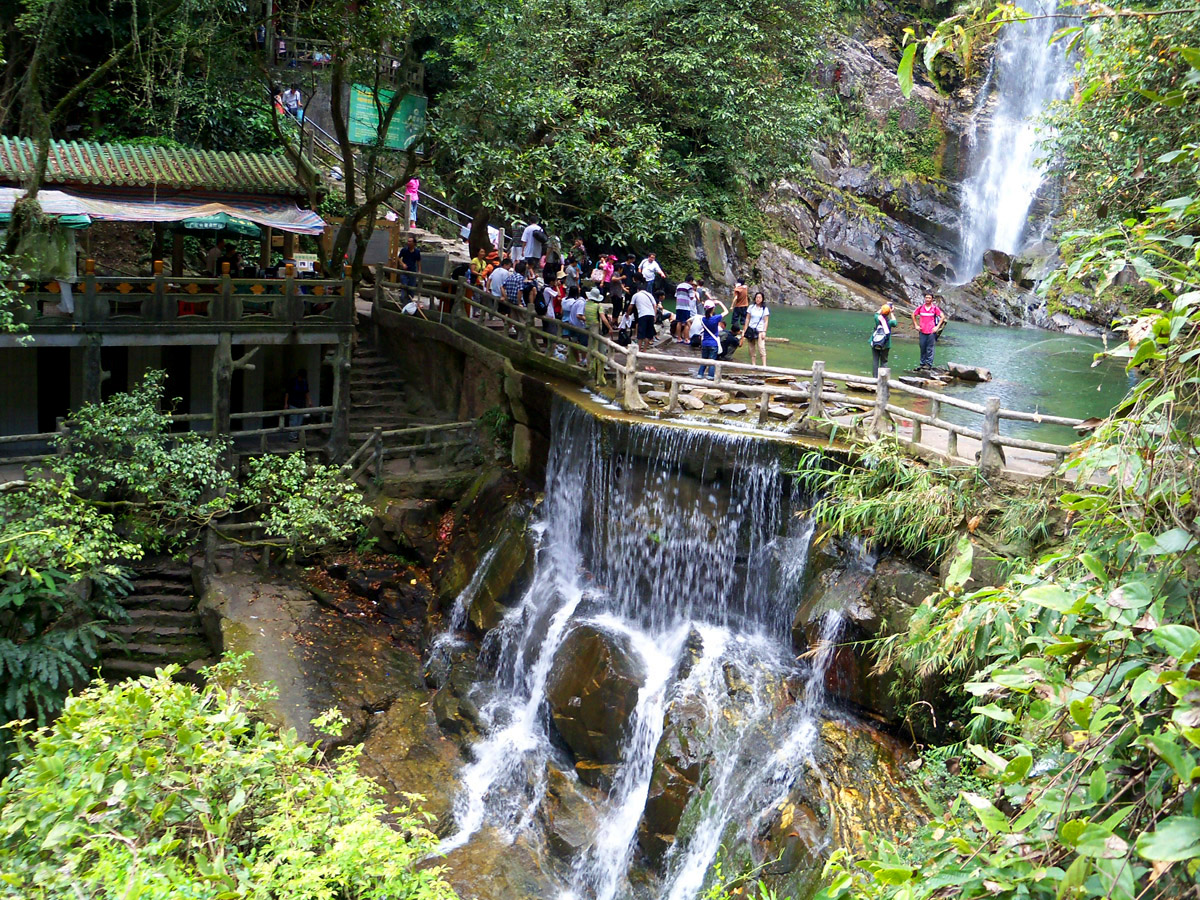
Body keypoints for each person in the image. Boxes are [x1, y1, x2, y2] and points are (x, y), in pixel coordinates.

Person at [912, 292, 945, 369]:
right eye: (926, 297)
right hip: (922, 331)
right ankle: (922, 364)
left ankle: (928, 364)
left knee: (930, 348)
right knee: (922, 347)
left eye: (929, 298)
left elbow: (942, 317)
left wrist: (937, 327)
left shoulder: (935, 308)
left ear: (932, 299)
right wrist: (916, 325)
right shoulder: (921, 308)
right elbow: (913, 314)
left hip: (931, 332)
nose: (927, 299)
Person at [697, 300, 728, 379]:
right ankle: (710, 376)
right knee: (712, 361)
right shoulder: (716, 318)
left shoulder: (702, 319)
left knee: (704, 360)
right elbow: (726, 311)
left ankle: (700, 375)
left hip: (704, 343)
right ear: (713, 309)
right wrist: (720, 303)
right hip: (713, 343)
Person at [870, 303, 898, 377]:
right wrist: (891, 312)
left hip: (875, 342)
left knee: (875, 360)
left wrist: (884, 307)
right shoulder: (890, 322)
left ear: (882, 311)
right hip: (885, 344)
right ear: (889, 312)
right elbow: (895, 322)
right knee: (884, 361)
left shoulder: (877, 318)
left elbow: (876, 313)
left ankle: (875, 377)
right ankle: (883, 377)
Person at [283, 369, 311, 442]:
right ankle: (292, 437)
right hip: (293, 403)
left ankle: (297, 435)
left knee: (299, 422)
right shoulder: (293, 381)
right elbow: (287, 393)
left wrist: (309, 402)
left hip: (302, 404)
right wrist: (286, 403)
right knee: (293, 421)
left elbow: (306, 392)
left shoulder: (305, 382)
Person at [631, 282, 658, 351]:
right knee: (648, 334)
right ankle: (645, 349)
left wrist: (627, 314)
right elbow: (655, 305)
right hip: (651, 314)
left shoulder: (636, 295)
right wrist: (654, 315)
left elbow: (631, 306)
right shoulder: (650, 295)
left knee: (641, 333)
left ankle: (639, 349)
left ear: (638, 289)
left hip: (643, 315)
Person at [746, 291, 770, 367]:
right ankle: (753, 364)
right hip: (751, 329)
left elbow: (766, 321)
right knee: (751, 348)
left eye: (760, 298)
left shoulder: (764, 309)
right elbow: (747, 319)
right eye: (757, 297)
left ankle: (764, 365)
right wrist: (745, 330)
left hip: (760, 330)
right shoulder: (751, 307)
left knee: (761, 347)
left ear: (762, 299)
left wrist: (764, 331)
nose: (758, 299)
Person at [397, 235, 421, 299]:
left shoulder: (417, 252)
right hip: (404, 271)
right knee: (404, 286)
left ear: (414, 243)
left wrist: (419, 271)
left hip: (412, 271)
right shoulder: (404, 250)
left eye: (410, 241)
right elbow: (399, 258)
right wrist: (403, 264)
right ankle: (403, 299)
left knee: (411, 288)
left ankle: (409, 301)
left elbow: (418, 261)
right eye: (408, 241)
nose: (408, 242)